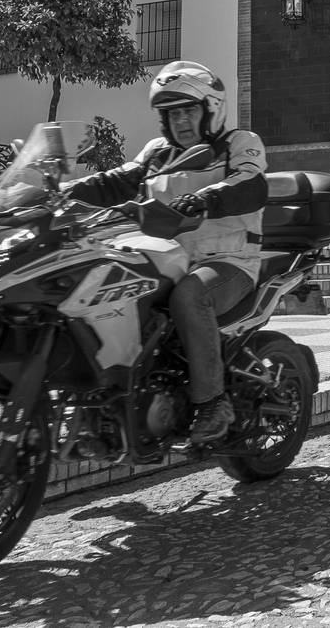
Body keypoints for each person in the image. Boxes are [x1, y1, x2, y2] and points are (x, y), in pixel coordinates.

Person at [64, 61, 269, 444]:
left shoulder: (239, 143)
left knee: (190, 296)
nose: (180, 121)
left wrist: (206, 199)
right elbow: (118, 181)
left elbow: (251, 184)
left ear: (212, 109)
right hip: (165, 259)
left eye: (189, 110)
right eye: (172, 113)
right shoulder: (158, 152)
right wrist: (63, 192)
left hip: (228, 262)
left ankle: (212, 402)